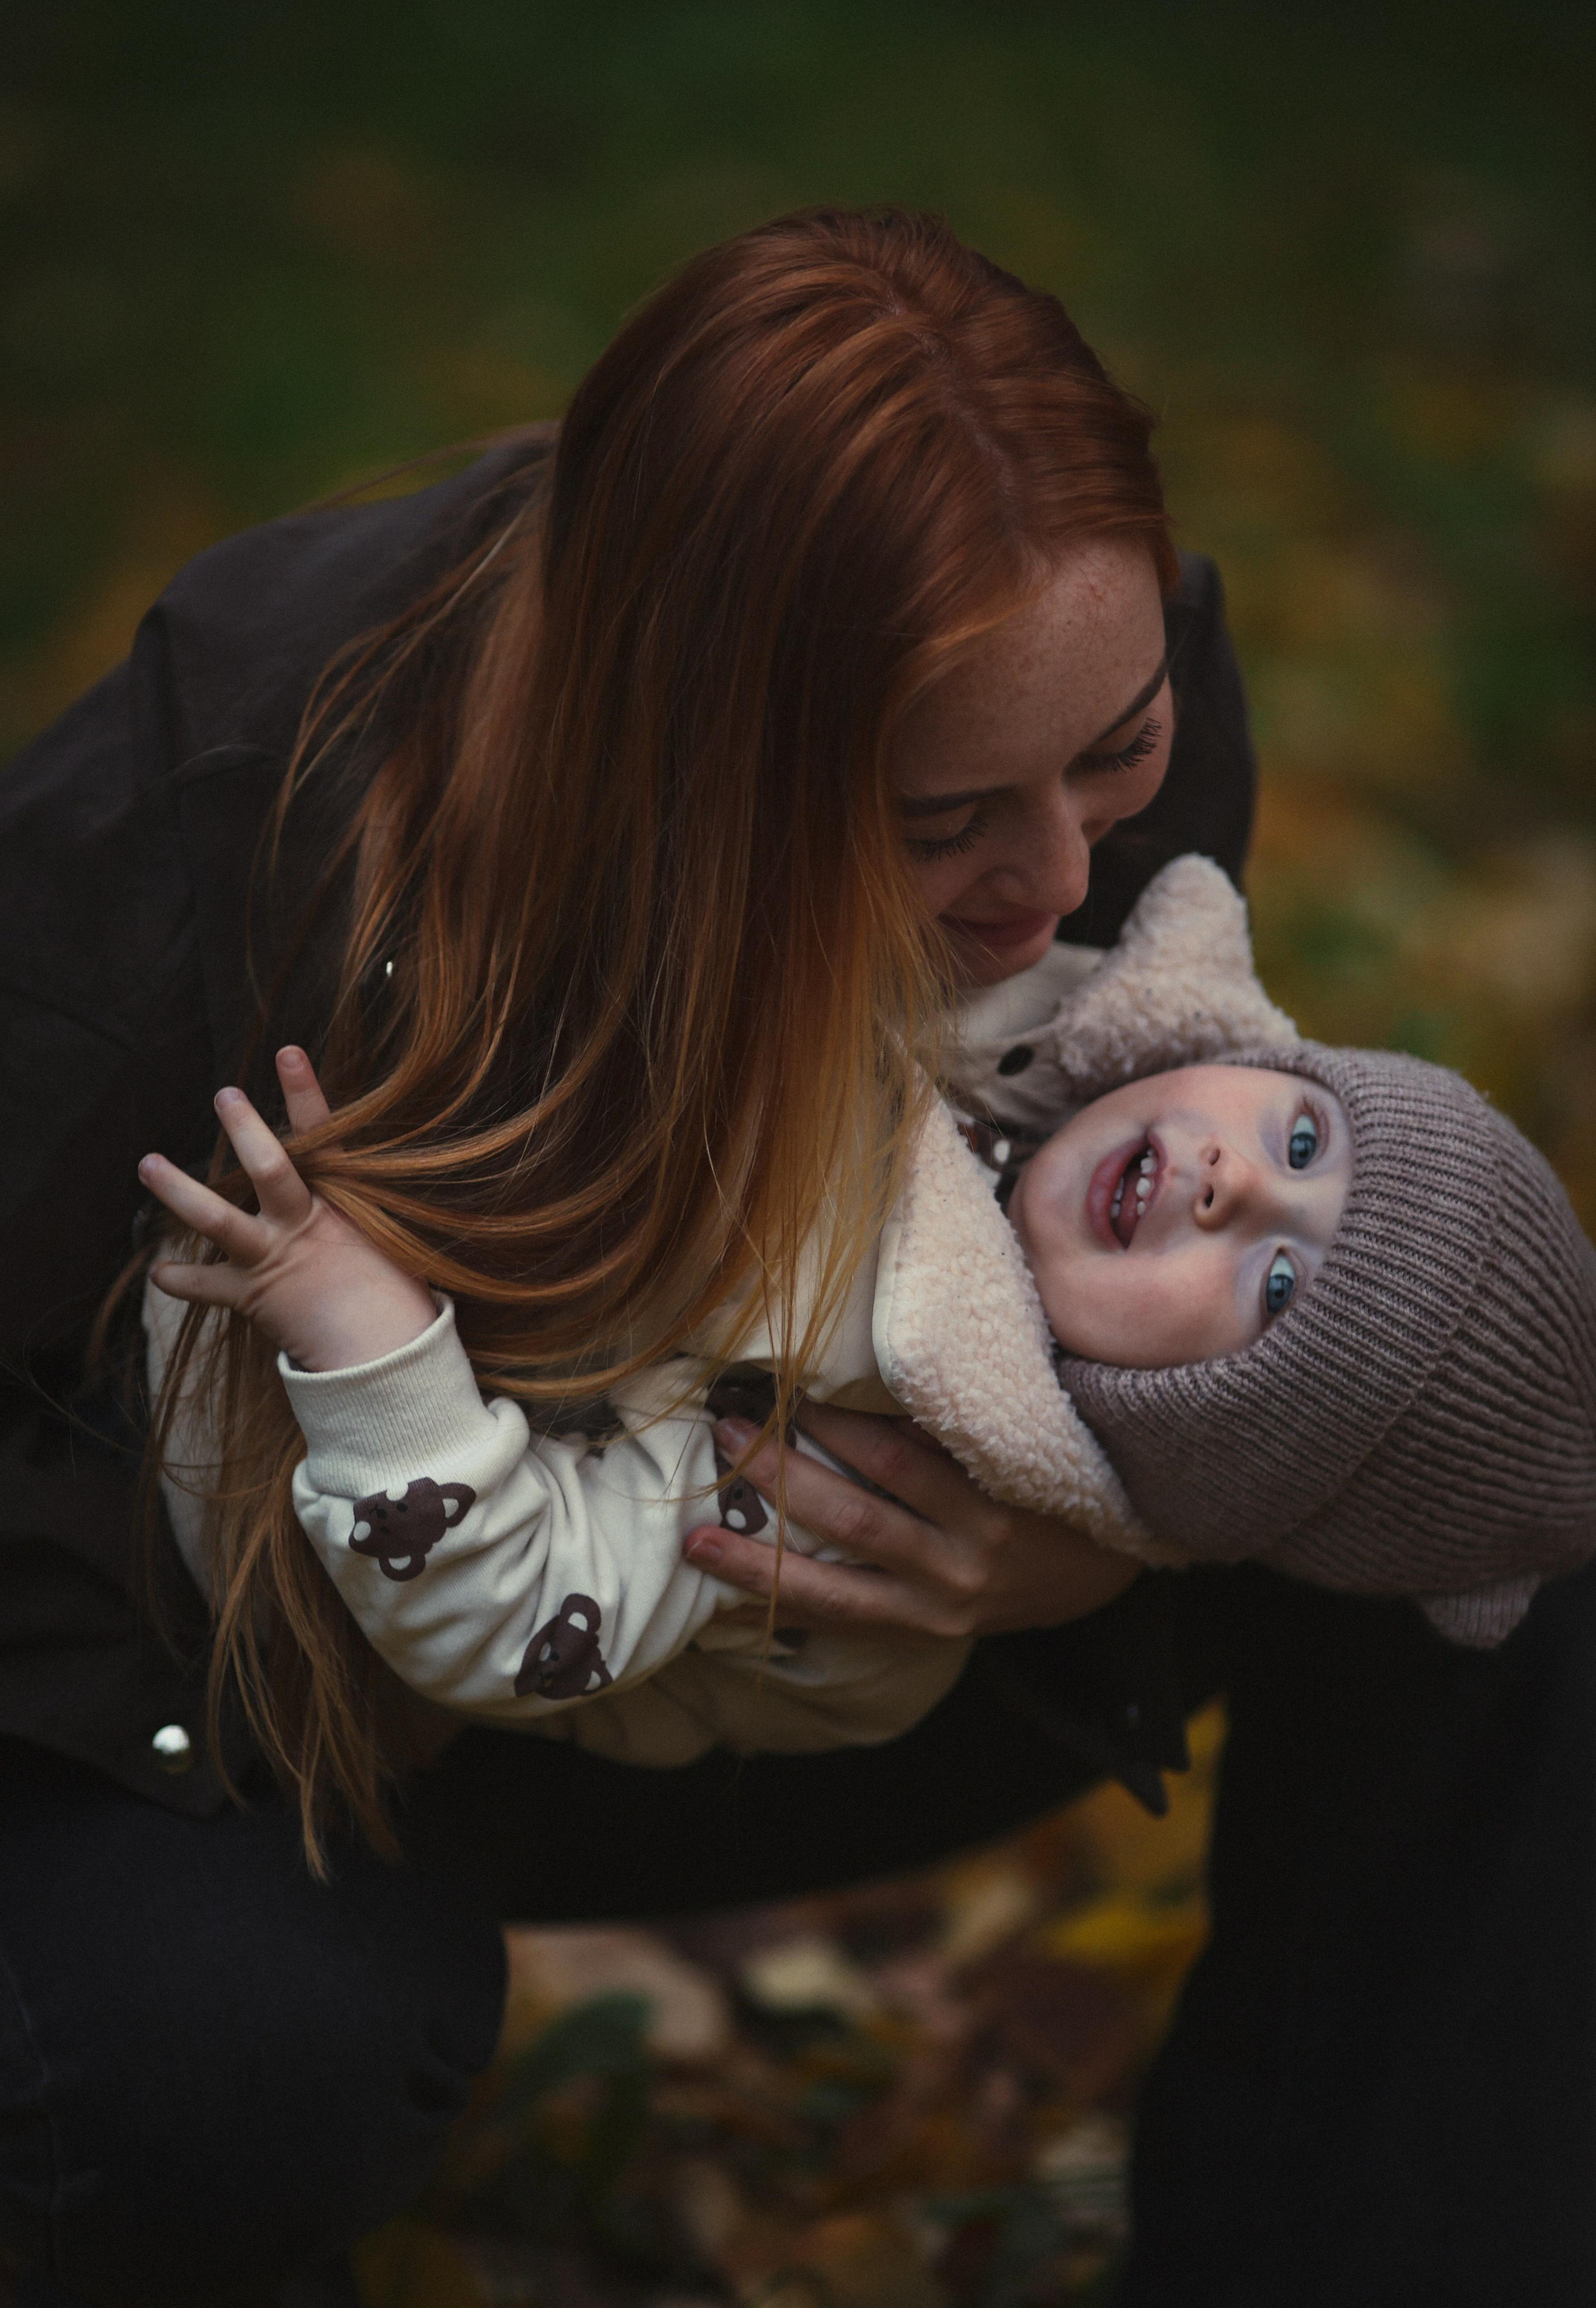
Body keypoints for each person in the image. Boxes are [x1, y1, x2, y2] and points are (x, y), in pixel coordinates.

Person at [1, 209, 1591, 2308]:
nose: (1054, 881)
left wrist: (1097, 1546)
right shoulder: (191, 842)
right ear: (683, 767)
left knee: (1504, 1437)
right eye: (941, 821)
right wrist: (331, 1613)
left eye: (1111, 752)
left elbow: (1212, 1253)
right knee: (224, 2055)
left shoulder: (1084, 702)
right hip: (257, 1693)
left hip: (792, 1648)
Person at [137, 853, 1595, 1785]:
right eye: (1301, 1144)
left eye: (1277, 1290)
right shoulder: (1031, 1033)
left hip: (210, 1494)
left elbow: (519, 1623)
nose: (1227, 1190)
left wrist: (352, 1328)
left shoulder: (869, 1474)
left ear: (1197, 1431)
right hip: (249, 1130)